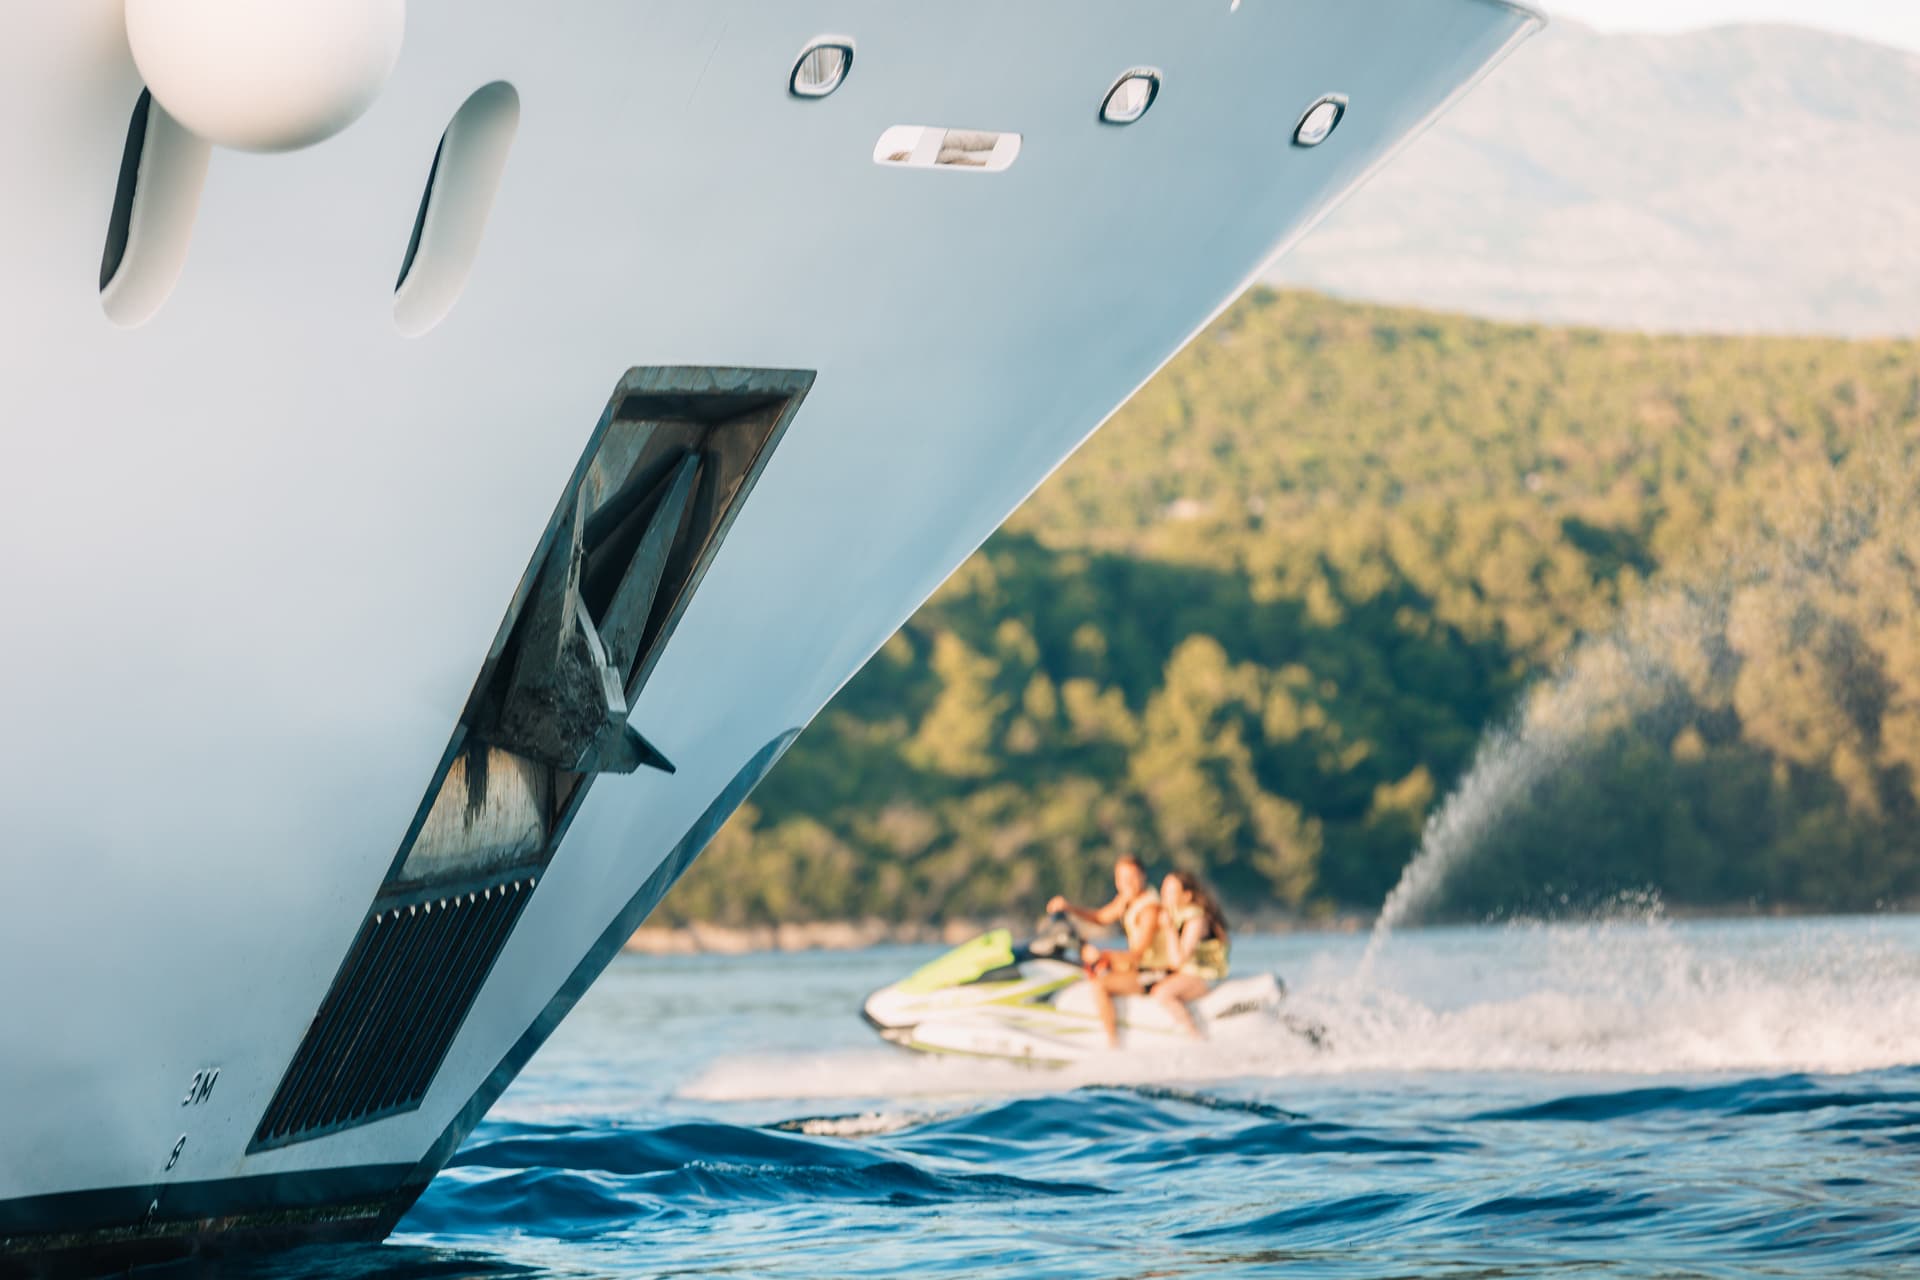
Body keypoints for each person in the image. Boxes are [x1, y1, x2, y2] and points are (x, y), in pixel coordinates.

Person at [1046, 855, 1167, 1048]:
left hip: (1155, 972)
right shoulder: (1127, 899)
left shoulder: (1149, 908)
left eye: (1132, 877)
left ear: (1143, 876)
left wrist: (1103, 956)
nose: (1127, 883)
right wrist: (1069, 908)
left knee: (1100, 985)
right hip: (1138, 968)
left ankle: (1113, 1044)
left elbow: (1138, 953)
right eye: (1122, 879)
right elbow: (1102, 917)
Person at [1150, 871, 1231, 1040]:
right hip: (1189, 973)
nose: (1164, 896)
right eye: (1163, 890)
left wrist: (1168, 928)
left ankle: (1196, 1037)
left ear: (1187, 896)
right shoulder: (1175, 915)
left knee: (1162, 992)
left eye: (1171, 892)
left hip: (1207, 975)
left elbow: (1179, 959)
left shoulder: (1196, 919)